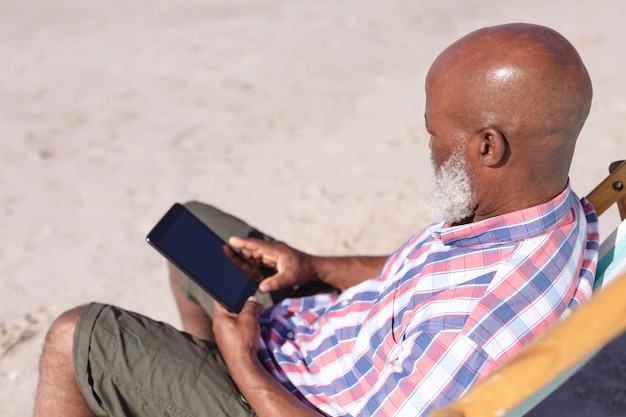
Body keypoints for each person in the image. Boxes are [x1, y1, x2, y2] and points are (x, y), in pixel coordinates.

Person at [33, 22, 599, 417]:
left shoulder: (471, 337)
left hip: (295, 396)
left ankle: (203, 379)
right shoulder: (548, 215)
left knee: (73, 338)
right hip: (329, 346)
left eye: (434, 130)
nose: (426, 144)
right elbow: (431, 274)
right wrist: (313, 265)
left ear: (487, 147)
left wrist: (242, 363)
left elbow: (454, 325)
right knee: (200, 233)